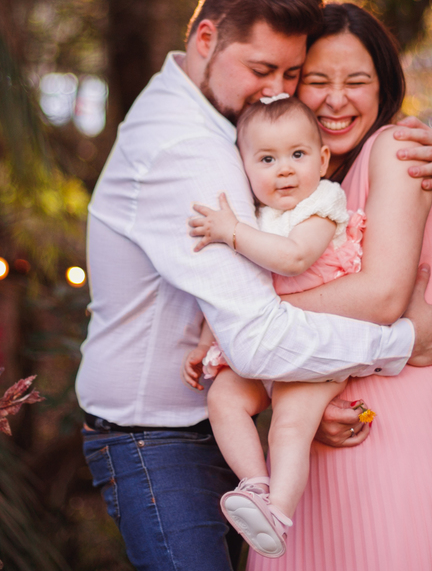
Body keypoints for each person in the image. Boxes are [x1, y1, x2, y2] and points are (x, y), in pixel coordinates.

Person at [75, 0, 432, 571]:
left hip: (234, 420)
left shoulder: (230, 118)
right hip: (157, 438)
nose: (277, 91)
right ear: (206, 38)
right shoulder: (189, 147)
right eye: (265, 69)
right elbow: (256, 338)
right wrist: (402, 339)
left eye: (289, 73)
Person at [247, 2, 432, 571]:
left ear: (384, 88)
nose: (336, 100)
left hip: (393, 427)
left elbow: (381, 297)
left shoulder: (397, 149)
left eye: (357, 81)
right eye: (317, 81)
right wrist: (288, 393)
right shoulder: (299, 179)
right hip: (312, 436)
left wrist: (252, 314)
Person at [182, 95, 369, 558]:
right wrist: (206, 343)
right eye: (267, 159)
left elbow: (294, 258)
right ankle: (257, 487)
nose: (284, 170)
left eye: (298, 155)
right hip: (266, 344)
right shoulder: (255, 214)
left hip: (318, 342)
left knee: (289, 420)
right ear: (243, 166)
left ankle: (278, 513)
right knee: (222, 398)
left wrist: (232, 233)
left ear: (323, 159)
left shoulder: (322, 202)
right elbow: (232, 294)